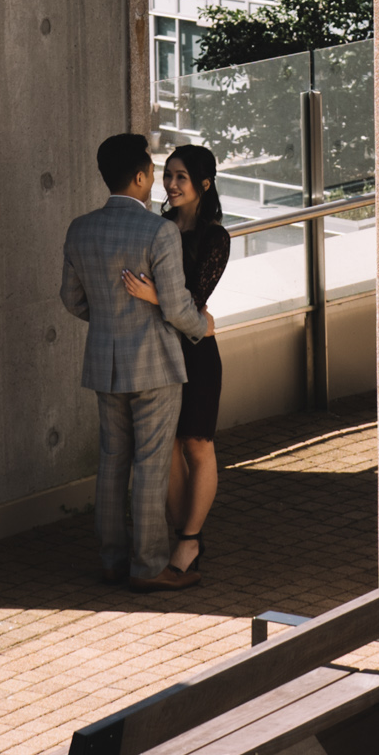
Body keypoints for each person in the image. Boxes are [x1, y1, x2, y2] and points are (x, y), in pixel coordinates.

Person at [58, 133, 211, 591]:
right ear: (142, 177)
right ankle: (148, 567)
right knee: (151, 463)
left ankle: (112, 559)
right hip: (156, 365)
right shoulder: (158, 231)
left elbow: (71, 299)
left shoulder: (79, 228)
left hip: (105, 362)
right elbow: (180, 309)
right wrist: (203, 327)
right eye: (153, 173)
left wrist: (106, 316)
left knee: (112, 461)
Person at [162, 144, 233, 578]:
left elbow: (191, 301)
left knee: (198, 444)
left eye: (180, 177)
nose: (170, 184)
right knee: (168, 446)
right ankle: (184, 533)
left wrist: (154, 296)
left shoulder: (215, 238)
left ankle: (188, 543)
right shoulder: (158, 226)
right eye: (167, 175)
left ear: (204, 184)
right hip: (162, 348)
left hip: (197, 354)